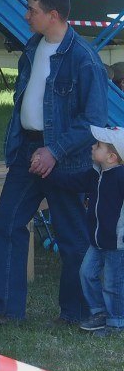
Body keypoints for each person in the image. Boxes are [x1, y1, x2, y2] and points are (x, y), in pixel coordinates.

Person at [0, 0, 108, 325]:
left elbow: (94, 120)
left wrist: (54, 151)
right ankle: (5, 309)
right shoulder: (33, 46)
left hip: (65, 162)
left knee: (72, 240)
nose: (26, 16)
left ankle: (75, 314)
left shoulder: (83, 59)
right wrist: (32, 148)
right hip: (28, 152)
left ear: (53, 15)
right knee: (7, 222)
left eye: (33, 10)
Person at [49, 126, 124, 335]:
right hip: (97, 240)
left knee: (113, 283)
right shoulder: (95, 175)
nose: (93, 146)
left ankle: (116, 322)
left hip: (116, 242)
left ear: (111, 157)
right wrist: (49, 175)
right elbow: (72, 182)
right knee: (86, 273)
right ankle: (99, 313)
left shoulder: (120, 177)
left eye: (98, 145)